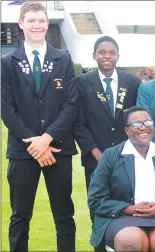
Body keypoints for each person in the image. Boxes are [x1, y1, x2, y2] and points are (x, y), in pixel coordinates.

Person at [1, 2, 77, 251]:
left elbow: (71, 103)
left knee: (64, 215)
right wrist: (35, 142)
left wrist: (48, 137)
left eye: (41, 21)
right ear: (21, 24)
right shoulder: (7, 62)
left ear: (47, 24)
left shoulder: (63, 59)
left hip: (58, 149)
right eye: (31, 20)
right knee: (20, 217)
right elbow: (6, 108)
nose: (37, 25)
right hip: (23, 151)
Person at [88, 106, 155, 251]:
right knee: (133, 241)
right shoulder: (111, 156)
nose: (144, 127)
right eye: (137, 124)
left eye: (148, 123)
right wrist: (128, 208)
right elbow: (96, 199)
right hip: (120, 217)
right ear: (127, 130)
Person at [73, 35, 141, 194]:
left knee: (128, 203)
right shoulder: (81, 83)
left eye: (112, 52)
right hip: (94, 158)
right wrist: (96, 153)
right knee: (97, 205)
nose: (107, 56)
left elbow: (138, 119)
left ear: (118, 56)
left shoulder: (132, 82)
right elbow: (77, 123)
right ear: (94, 55)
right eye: (102, 52)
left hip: (127, 156)